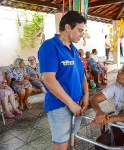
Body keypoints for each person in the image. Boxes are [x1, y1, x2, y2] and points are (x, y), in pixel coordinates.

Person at [38, 11, 89, 150]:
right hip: (60, 106)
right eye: (79, 30)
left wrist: (86, 95)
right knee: (61, 146)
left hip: (77, 104)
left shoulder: (73, 49)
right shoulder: (50, 46)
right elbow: (48, 80)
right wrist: (71, 104)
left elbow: (82, 75)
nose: (81, 34)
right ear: (67, 27)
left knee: (73, 141)